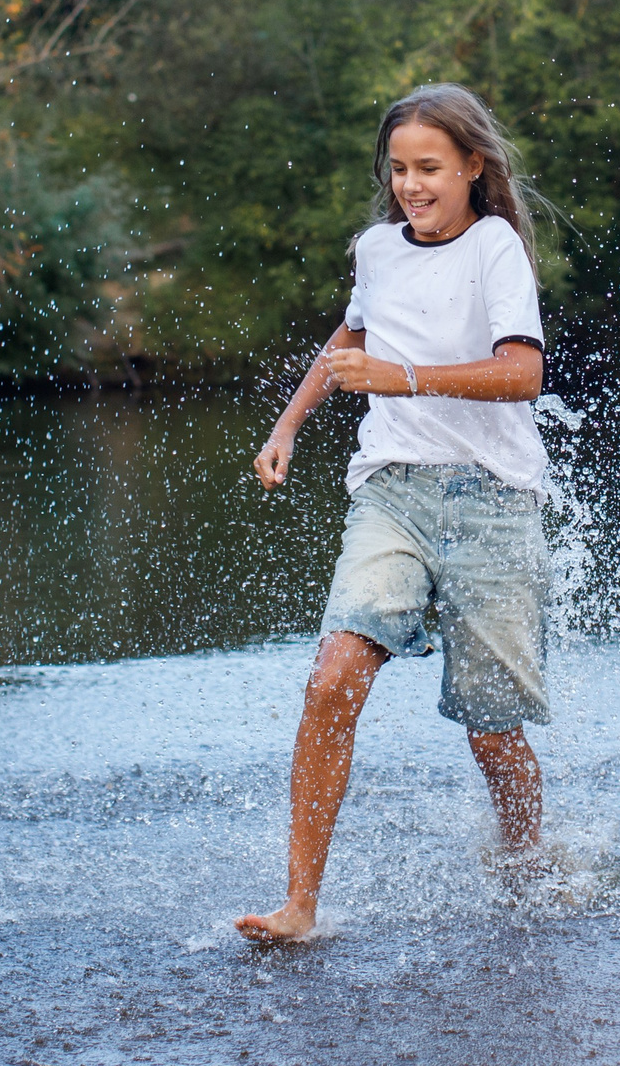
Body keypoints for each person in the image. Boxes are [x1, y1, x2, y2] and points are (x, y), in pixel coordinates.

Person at [235, 83, 553, 943]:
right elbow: (349, 345)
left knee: (492, 731)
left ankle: (529, 864)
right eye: (400, 168)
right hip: (394, 493)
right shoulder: (377, 250)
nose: (412, 184)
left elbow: (521, 373)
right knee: (333, 674)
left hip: (494, 502)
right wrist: (288, 427)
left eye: (431, 168)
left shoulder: (495, 250)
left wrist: (405, 376)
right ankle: (300, 904)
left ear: (472, 167)